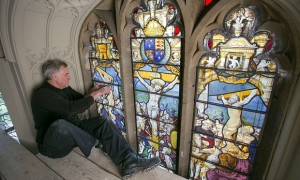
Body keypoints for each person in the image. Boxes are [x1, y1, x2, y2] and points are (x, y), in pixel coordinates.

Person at [31, 59, 160, 179]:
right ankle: (99, 142)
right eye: (66, 74)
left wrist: (93, 91)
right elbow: (74, 108)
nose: (69, 77)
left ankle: (129, 162)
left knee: (103, 122)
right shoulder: (42, 95)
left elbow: (81, 100)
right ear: (54, 76)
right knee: (60, 125)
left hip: (73, 130)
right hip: (52, 146)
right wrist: (98, 93)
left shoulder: (64, 89)